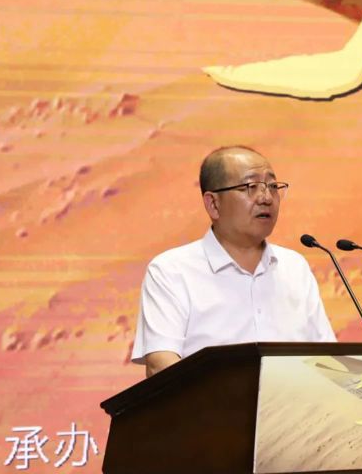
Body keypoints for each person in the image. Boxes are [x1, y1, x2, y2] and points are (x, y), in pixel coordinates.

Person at [131, 146, 336, 377]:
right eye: (250, 187)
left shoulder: (294, 267)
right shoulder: (171, 271)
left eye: (272, 186)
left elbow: (328, 361)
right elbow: (161, 365)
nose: (266, 198)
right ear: (213, 204)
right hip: (210, 401)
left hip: (293, 400)